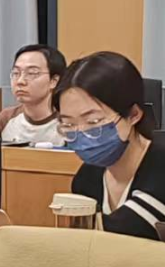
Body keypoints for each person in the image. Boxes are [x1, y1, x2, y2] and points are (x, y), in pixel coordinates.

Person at [54, 51, 165, 238]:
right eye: (69, 124)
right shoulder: (86, 178)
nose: (81, 133)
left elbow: (129, 233)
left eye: (93, 121)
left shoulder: (160, 169)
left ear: (133, 115)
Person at [0, 45, 67, 145]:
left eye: (32, 73)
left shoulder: (68, 122)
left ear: (53, 81)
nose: (20, 81)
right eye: (16, 73)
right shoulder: (6, 118)